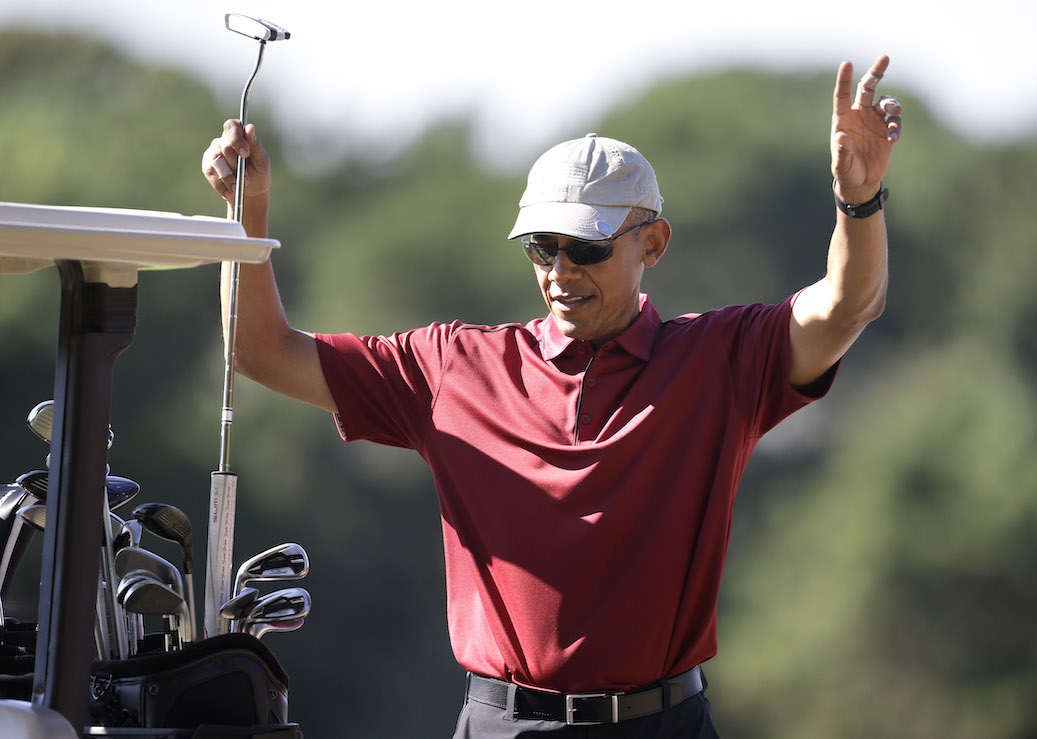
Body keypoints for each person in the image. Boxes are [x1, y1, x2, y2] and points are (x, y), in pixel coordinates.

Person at [202, 54, 902, 738]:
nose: (561, 271)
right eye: (542, 247)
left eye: (587, 248)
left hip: (663, 725)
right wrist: (248, 209)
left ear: (653, 243)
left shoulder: (720, 358)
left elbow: (848, 304)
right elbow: (260, 351)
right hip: (502, 724)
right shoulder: (454, 366)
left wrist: (859, 201)